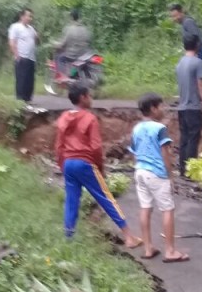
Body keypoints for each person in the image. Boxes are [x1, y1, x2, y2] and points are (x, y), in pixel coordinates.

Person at [55, 84, 141, 246]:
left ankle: (68, 238)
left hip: (68, 163)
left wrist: (62, 165)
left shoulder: (63, 118)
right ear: (83, 98)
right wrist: (100, 168)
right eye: (89, 95)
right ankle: (129, 237)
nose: (91, 98)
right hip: (84, 162)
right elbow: (95, 147)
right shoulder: (89, 118)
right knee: (106, 198)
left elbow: (59, 146)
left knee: (72, 200)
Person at [130, 93, 189, 263]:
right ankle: (170, 251)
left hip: (140, 171)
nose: (163, 109)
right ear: (153, 108)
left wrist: (139, 167)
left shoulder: (136, 128)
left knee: (145, 208)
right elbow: (165, 153)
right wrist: (170, 176)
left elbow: (134, 152)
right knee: (167, 209)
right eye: (161, 106)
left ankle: (148, 248)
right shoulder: (159, 128)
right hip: (157, 173)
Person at [175, 34, 202, 176]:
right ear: (197, 45)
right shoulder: (198, 63)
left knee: (184, 139)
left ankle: (183, 170)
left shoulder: (180, 63)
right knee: (193, 140)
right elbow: (200, 85)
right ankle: (191, 171)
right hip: (193, 107)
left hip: (182, 108)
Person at [8, 7, 39, 103]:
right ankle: (20, 100)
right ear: (22, 16)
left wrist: (37, 37)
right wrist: (17, 55)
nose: (30, 18)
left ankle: (28, 99)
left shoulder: (31, 28)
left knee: (30, 80)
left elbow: (36, 40)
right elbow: (12, 42)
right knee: (21, 79)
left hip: (31, 58)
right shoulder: (15, 27)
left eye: (31, 16)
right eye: (28, 16)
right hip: (22, 57)